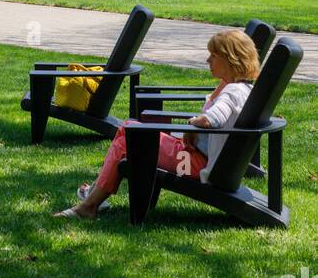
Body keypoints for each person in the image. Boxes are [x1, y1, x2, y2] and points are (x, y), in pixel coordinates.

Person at [55, 29, 260, 220]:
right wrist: (224, 81)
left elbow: (212, 118)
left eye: (213, 56)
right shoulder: (240, 89)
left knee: (129, 134)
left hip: (193, 165)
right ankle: (94, 197)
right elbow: (215, 113)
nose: (208, 60)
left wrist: (192, 125)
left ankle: (90, 204)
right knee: (128, 131)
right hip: (196, 158)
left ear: (230, 59)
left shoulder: (232, 93)